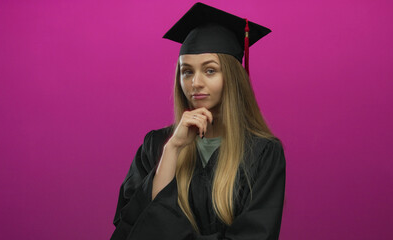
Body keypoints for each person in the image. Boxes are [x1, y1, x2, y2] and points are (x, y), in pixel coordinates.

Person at [110, 2, 286, 239]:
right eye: (187, 71)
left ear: (232, 77)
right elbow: (130, 229)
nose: (196, 83)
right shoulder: (156, 145)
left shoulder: (262, 153)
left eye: (210, 70)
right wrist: (172, 150)